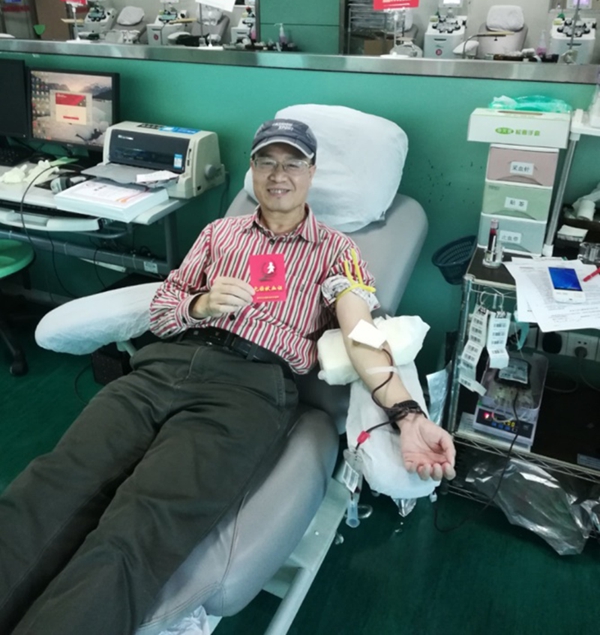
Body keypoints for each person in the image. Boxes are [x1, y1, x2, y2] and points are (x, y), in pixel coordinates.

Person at [0, 118, 455, 635]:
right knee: (49, 486)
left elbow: (361, 334)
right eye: (267, 161)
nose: (278, 174)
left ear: (312, 173)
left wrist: (407, 414)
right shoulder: (219, 233)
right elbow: (165, 308)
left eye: (293, 163)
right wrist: (201, 304)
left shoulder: (336, 251)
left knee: (142, 525)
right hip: (164, 365)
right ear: (252, 169)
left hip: (249, 388)